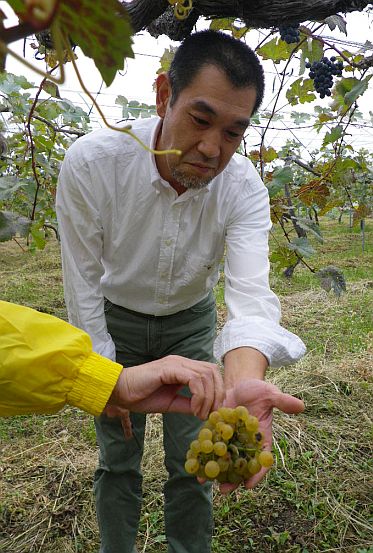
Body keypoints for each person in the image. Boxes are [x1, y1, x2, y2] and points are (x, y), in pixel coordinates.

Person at [56, 30, 306, 553]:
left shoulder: (243, 190)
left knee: (192, 465)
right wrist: (103, 371)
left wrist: (240, 385)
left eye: (234, 133)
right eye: (200, 119)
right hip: (114, 320)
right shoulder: (92, 165)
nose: (213, 149)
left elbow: (250, 295)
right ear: (164, 95)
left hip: (191, 325)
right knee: (117, 459)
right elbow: (81, 283)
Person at [0, 300, 224, 419]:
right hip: (114, 315)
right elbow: (82, 274)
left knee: (188, 449)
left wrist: (107, 383)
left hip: (193, 313)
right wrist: (106, 379)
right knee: (118, 455)